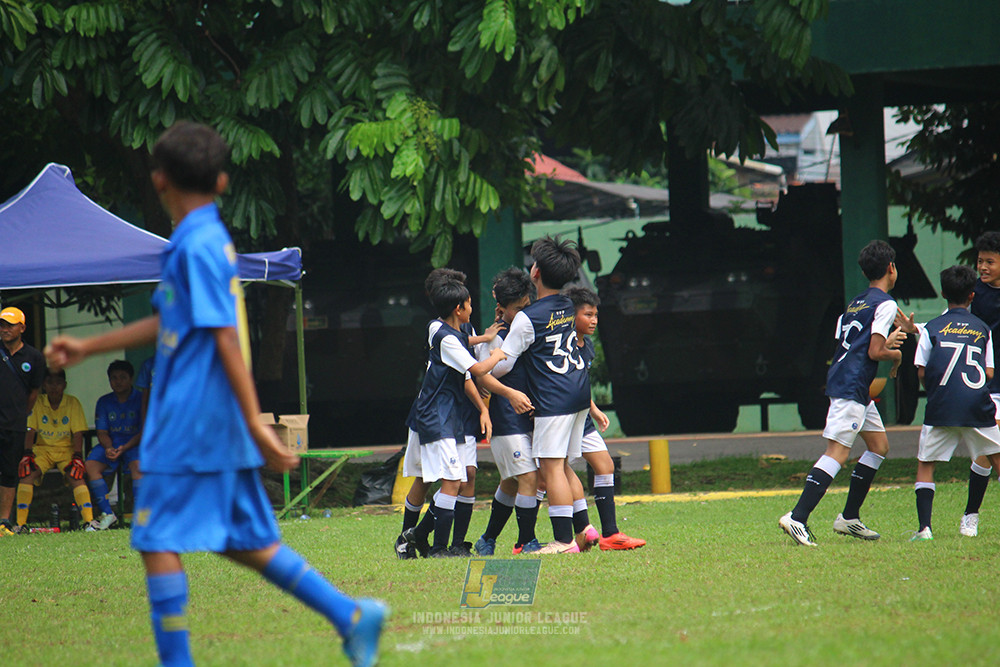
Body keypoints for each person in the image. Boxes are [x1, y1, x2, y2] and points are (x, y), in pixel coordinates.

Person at [45, 121, 386, 667]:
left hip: (190, 421)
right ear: (223, 182)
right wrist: (91, 347)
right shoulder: (200, 240)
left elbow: (225, 333)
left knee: (157, 539)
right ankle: (351, 616)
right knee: (241, 540)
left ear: (158, 179)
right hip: (211, 420)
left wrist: (255, 424)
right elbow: (173, 321)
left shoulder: (197, 245)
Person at [779, 240, 906, 546]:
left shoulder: (856, 302)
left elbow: (847, 344)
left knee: (879, 446)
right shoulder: (885, 304)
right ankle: (797, 517)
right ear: (891, 268)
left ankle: (848, 518)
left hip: (851, 384)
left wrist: (901, 334)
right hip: (851, 386)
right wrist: (895, 354)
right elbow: (875, 351)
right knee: (837, 452)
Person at [397, 273, 508, 558]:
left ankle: (421, 540)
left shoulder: (447, 328)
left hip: (447, 417)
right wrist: (497, 353)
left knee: (453, 479)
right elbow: (477, 370)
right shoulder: (444, 335)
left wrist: (484, 337)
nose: (472, 307)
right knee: (448, 480)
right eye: (469, 302)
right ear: (459, 307)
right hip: (436, 416)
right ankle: (429, 545)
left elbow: (466, 344)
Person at [493, 236, 592, 554]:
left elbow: (503, 366)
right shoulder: (567, 305)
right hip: (577, 391)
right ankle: (586, 530)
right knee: (564, 467)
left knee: (551, 469)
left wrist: (482, 369)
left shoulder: (527, 317)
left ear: (535, 271)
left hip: (554, 400)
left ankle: (563, 542)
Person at [897, 231, 1000, 537]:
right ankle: (971, 516)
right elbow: (945, 326)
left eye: (990, 262)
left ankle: (968, 515)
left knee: (984, 454)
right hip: (982, 382)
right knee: (986, 452)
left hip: (975, 384)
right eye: (980, 261)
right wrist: (913, 328)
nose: (983, 267)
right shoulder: (973, 292)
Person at [565, 286, 646, 550]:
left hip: (582, 417)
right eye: (587, 314)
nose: (594, 320)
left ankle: (610, 535)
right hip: (561, 418)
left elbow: (580, 383)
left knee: (605, 466)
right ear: (571, 315)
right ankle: (577, 533)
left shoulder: (586, 345)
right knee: (553, 477)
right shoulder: (559, 344)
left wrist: (594, 409)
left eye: (596, 315)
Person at [473, 267, 545, 556]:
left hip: (526, 414)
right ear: (500, 307)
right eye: (518, 309)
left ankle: (487, 539)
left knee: (512, 481)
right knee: (528, 477)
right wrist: (510, 392)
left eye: (527, 306)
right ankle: (526, 541)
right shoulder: (495, 336)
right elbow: (488, 374)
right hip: (505, 417)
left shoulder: (524, 327)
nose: (524, 313)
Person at [16, 368, 99, 532]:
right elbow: (30, 430)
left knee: (76, 475)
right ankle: (20, 524)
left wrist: (77, 456)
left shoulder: (72, 402)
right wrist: (26, 454)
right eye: (50, 383)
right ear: (44, 385)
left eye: (58, 383)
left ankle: (89, 522)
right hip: (43, 450)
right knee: (26, 474)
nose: (54, 387)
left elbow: (78, 433)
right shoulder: (38, 402)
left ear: (65, 385)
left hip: (66, 450)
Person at [0, 306, 45, 536]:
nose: (4, 329)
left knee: (9, 472)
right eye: (2, 325)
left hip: (15, 424)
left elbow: (34, 392)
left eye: (10, 324)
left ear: (22, 327)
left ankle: (3, 522)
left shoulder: (34, 357)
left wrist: (20, 414)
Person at [86, 359, 143, 530]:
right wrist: (109, 447)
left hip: (135, 444)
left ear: (131, 379)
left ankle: (141, 517)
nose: (118, 382)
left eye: (122, 377)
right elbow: (102, 432)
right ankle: (107, 514)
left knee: (138, 466)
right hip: (112, 444)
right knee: (90, 464)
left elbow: (144, 431)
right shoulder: (104, 401)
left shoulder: (141, 398)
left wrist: (125, 448)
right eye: (114, 378)